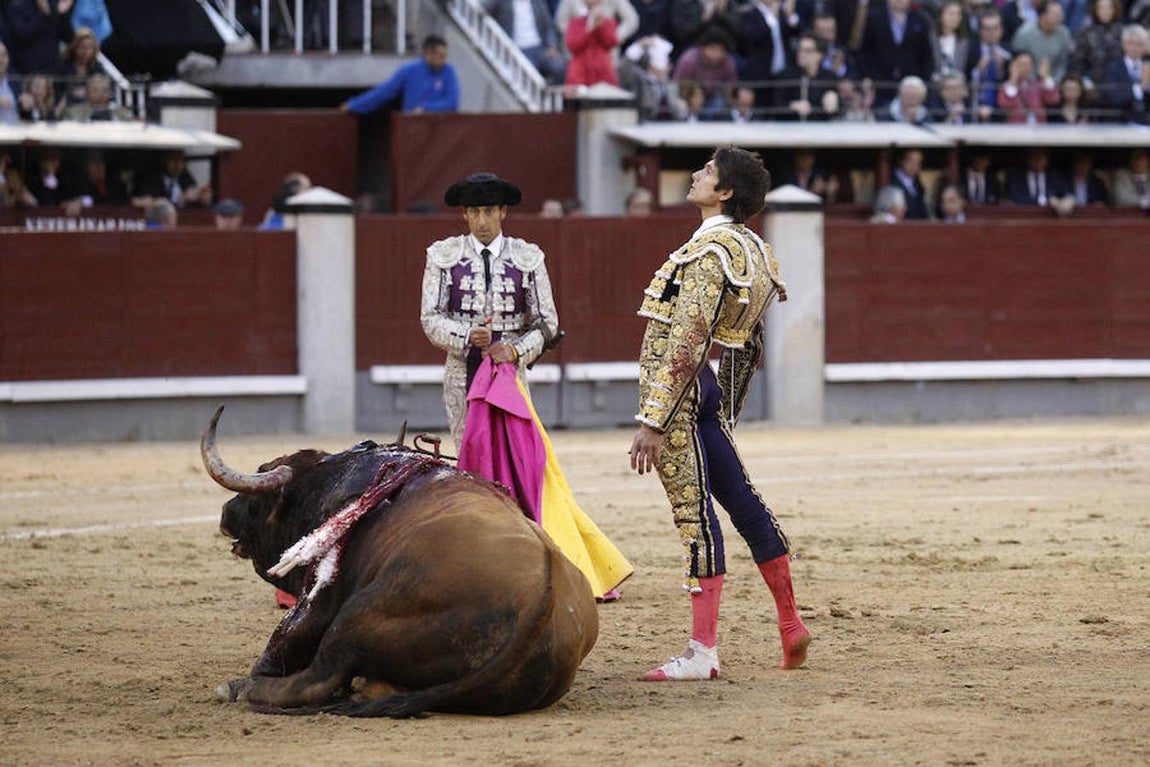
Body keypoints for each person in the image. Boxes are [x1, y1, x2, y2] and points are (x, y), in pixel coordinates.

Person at [629, 146, 809, 680]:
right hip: (705, 392)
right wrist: (722, 411)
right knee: (744, 502)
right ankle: (790, 624)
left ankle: (702, 652)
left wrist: (654, 420)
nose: (695, 175)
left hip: (681, 395)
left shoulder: (709, 252)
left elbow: (685, 339)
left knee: (695, 516)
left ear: (725, 193)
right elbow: (748, 344)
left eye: (706, 172)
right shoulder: (753, 249)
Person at [420, 172, 561, 449]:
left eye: (488, 211)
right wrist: (467, 335)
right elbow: (430, 317)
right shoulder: (443, 255)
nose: (482, 221)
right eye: (474, 212)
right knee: (470, 453)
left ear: (503, 212)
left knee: (515, 454)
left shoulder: (528, 256)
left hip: (510, 371)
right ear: (465, 214)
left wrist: (515, 350)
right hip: (462, 371)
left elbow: (548, 322)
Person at [339, 35, 460, 115]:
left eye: (445, 56)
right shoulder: (409, 70)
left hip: (440, 131)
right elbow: (384, 92)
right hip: (412, 129)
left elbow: (452, 101)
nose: (444, 60)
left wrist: (425, 108)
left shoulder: (448, 71)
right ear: (429, 54)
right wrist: (354, 105)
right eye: (441, 56)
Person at [483, 0, 568, 85]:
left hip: (540, 49)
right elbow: (483, 8)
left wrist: (552, 46)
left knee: (560, 66)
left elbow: (548, 25)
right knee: (530, 72)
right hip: (518, 51)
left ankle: (554, 97)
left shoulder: (537, 2)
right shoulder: (503, 2)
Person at [1097, 24, 1150, 124]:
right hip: (1120, 123)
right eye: (1131, 43)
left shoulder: (1147, 67)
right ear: (1123, 44)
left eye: (1139, 44)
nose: (1135, 48)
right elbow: (1112, 97)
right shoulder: (1113, 68)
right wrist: (1140, 88)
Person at [1009, 0, 1072, 84]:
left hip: (1055, 83)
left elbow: (1063, 64)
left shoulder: (1064, 34)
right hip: (1027, 84)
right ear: (1043, 16)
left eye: (1060, 15)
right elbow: (1016, 63)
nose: (1060, 19)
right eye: (1055, 15)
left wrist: (1052, 82)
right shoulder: (1024, 34)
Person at [564, 0, 620, 87]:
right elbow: (572, 46)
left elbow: (611, 42)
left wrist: (600, 25)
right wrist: (590, 29)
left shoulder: (608, 22)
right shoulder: (575, 23)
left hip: (602, 73)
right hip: (580, 74)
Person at [969, 7, 1012, 122]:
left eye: (995, 29)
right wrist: (978, 70)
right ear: (980, 31)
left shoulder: (1009, 52)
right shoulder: (971, 49)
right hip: (974, 102)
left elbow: (1012, 82)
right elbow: (965, 77)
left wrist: (1001, 70)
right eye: (987, 29)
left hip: (1000, 107)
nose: (991, 33)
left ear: (1001, 30)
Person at [133, 149, 212, 209]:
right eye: (173, 160)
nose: (177, 166)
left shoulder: (185, 177)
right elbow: (150, 200)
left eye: (181, 161)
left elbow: (192, 191)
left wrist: (199, 196)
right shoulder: (151, 179)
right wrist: (181, 198)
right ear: (164, 160)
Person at [996, 50, 1058, 123]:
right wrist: (1013, 79)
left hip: (1039, 129)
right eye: (1022, 64)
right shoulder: (1005, 87)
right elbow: (1005, 104)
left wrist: (1045, 76)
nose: (1026, 68)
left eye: (1029, 64)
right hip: (1015, 130)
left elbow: (1053, 99)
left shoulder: (1038, 84)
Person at [61, 72, 134, 121]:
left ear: (110, 92)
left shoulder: (123, 113)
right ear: (87, 92)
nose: (100, 93)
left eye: (104, 90)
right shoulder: (72, 113)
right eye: (95, 90)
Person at [890, 147, 930, 219]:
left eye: (918, 163)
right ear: (902, 161)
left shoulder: (918, 183)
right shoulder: (891, 181)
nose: (915, 166)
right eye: (911, 161)